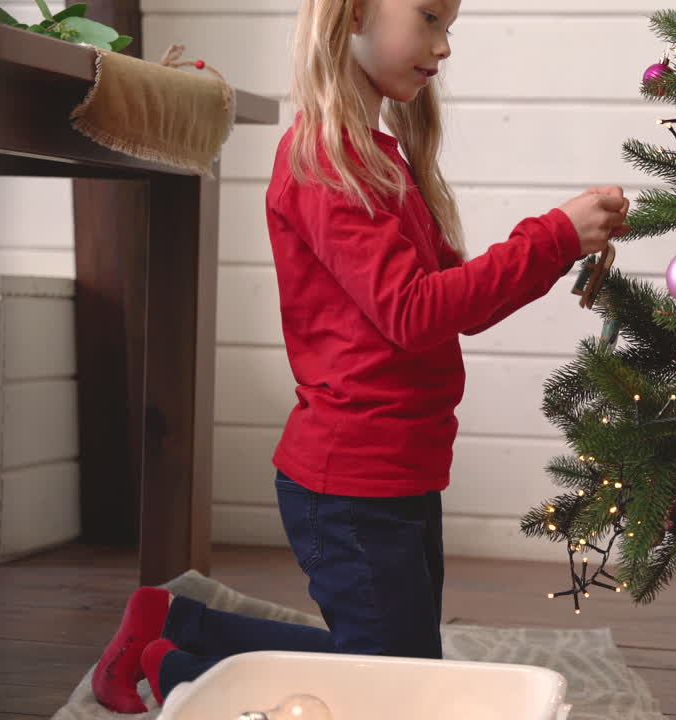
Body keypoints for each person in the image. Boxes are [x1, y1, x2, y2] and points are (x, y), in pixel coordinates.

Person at [90, 0, 630, 711]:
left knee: (399, 672)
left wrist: (562, 246)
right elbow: (413, 312)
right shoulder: (323, 162)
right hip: (350, 486)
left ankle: (175, 625)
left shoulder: (377, 160)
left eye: (448, 26)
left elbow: (458, 308)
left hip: (400, 473)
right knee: (395, 685)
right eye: (429, 17)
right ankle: (183, 676)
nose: (443, 45)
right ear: (351, 15)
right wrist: (552, 235)